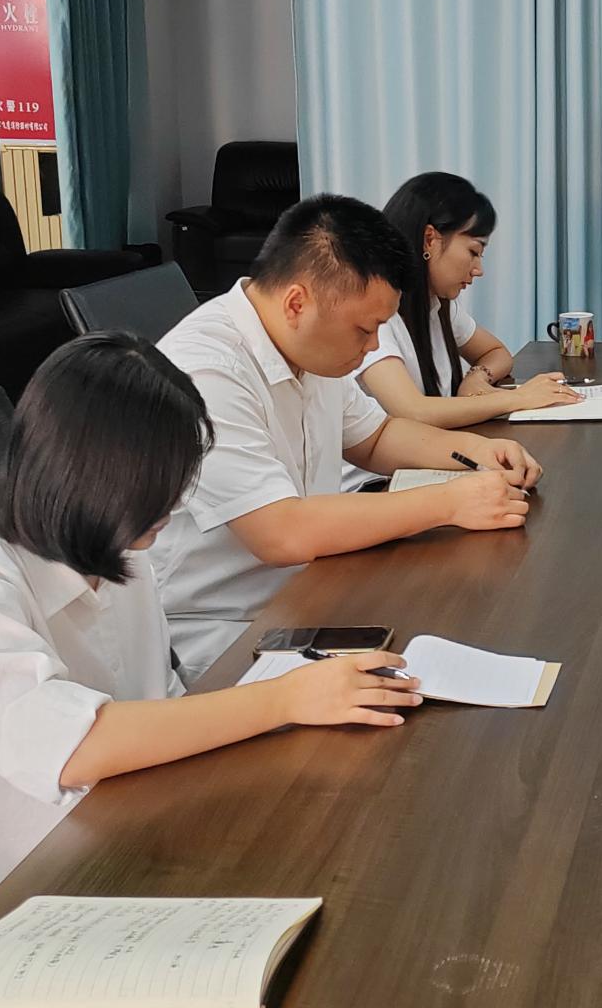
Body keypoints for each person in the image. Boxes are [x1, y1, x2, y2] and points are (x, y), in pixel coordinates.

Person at [0, 334, 425, 967]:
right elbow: (75, 748)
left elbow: (157, 708)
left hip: (94, 861)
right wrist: (283, 700)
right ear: (89, 476)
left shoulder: (121, 554)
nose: (174, 504)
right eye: (158, 487)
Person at [153, 194, 541, 681]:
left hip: (311, 590)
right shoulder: (206, 371)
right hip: (226, 632)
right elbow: (282, 533)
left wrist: (480, 451)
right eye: (365, 329)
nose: (373, 345)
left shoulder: (306, 343)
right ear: (297, 303)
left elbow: (375, 438)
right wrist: (450, 502)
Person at [356, 171, 582, 426]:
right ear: (429, 240)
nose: (478, 270)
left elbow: (496, 352)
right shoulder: (376, 316)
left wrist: (476, 377)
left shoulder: (437, 304)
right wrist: (519, 398)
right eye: (474, 252)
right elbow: (414, 411)